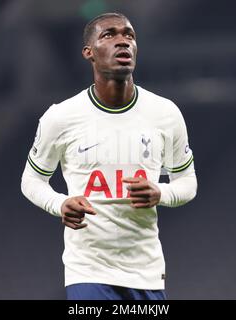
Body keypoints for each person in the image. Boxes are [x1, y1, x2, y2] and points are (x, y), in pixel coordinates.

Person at [21, 12, 197, 300]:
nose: (123, 42)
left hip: (147, 272)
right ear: (89, 53)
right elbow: (31, 180)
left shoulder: (165, 113)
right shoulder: (61, 117)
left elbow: (187, 182)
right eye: (109, 35)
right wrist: (60, 203)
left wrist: (160, 193)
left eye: (129, 35)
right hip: (87, 272)